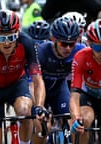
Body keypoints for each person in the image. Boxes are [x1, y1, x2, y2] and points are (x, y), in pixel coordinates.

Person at [0, 9, 47, 144]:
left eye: (11, 37)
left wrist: (39, 106)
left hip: (16, 84)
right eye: (2, 38)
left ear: (18, 32)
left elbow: (38, 80)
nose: (7, 43)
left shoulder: (27, 42)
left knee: (26, 111)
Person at [31, 16, 86, 144]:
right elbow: (34, 83)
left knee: (73, 122)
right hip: (40, 90)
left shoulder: (80, 50)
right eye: (63, 43)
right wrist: (38, 106)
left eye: (71, 44)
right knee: (43, 127)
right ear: (54, 39)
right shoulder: (41, 52)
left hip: (59, 90)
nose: (68, 48)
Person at [69, 19, 101, 144]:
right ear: (90, 44)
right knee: (84, 120)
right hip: (88, 98)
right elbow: (75, 95)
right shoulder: (81, 57)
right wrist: (76, 118)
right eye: (97, 47)